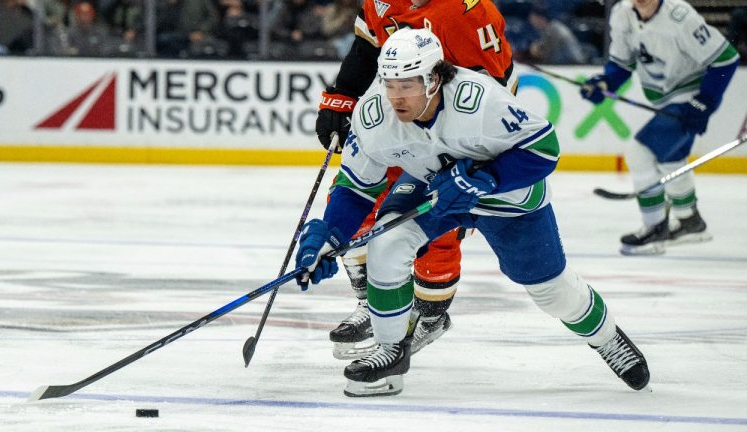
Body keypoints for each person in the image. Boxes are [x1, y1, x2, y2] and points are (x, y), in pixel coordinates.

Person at [296, 28, 651, 397]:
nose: (396, 97)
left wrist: (487, 177)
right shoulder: (373, 114)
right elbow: (356, 189)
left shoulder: (479, 101)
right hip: (433, 188)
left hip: (507, 197)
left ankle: (607, 337)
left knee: (551, 291)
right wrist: (331, 236)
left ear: (434, 78)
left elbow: (544, 149)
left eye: (408, 85)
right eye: (390, 84)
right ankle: (391, 355)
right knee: (387, 240)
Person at [315, 0, 516, 361]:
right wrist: (341, 97)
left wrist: (472, 153)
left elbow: (495, 89)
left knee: (433, 222)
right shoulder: (380, 2)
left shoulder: (467, 11)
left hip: (451, 126)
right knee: (352, 203)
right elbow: (366, 49)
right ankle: (372, 303)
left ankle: (430, 314)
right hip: (399, 113)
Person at [580, 0, 739, 255]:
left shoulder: (680, 17)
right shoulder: (622, 14)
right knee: (670, 157)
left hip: (691, 95)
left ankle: (655, 228)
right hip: (665, 98)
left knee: (640, 153)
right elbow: (622, 64)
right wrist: (604, 82)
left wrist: (704, 102)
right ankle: (690, 221)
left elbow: (726, 60)